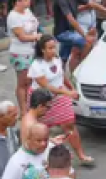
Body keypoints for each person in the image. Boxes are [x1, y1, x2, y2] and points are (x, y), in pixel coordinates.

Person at [28, 35, 92, 165]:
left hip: (59, 96)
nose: (53, 50)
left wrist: (71, 87)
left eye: (54, 47)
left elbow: (62, 76)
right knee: (41, 129)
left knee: (70, 124)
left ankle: (81, 154)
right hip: (42, 100)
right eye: (50, 48)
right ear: (42, 50)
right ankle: (41, 157)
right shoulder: (36, 65)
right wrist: (68, 93)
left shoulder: (57, 59)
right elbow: (46, 86)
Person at [6, 0, 41, 116]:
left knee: (30, 81)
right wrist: (36, 37)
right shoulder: (13, 17)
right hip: (20, 52)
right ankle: (23, 110)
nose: (29, 2)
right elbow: (21, 36)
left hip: (31, 50)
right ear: (17, 2)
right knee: (23, 82)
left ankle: (29, 105)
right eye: (26, 0)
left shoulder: (27, 11)